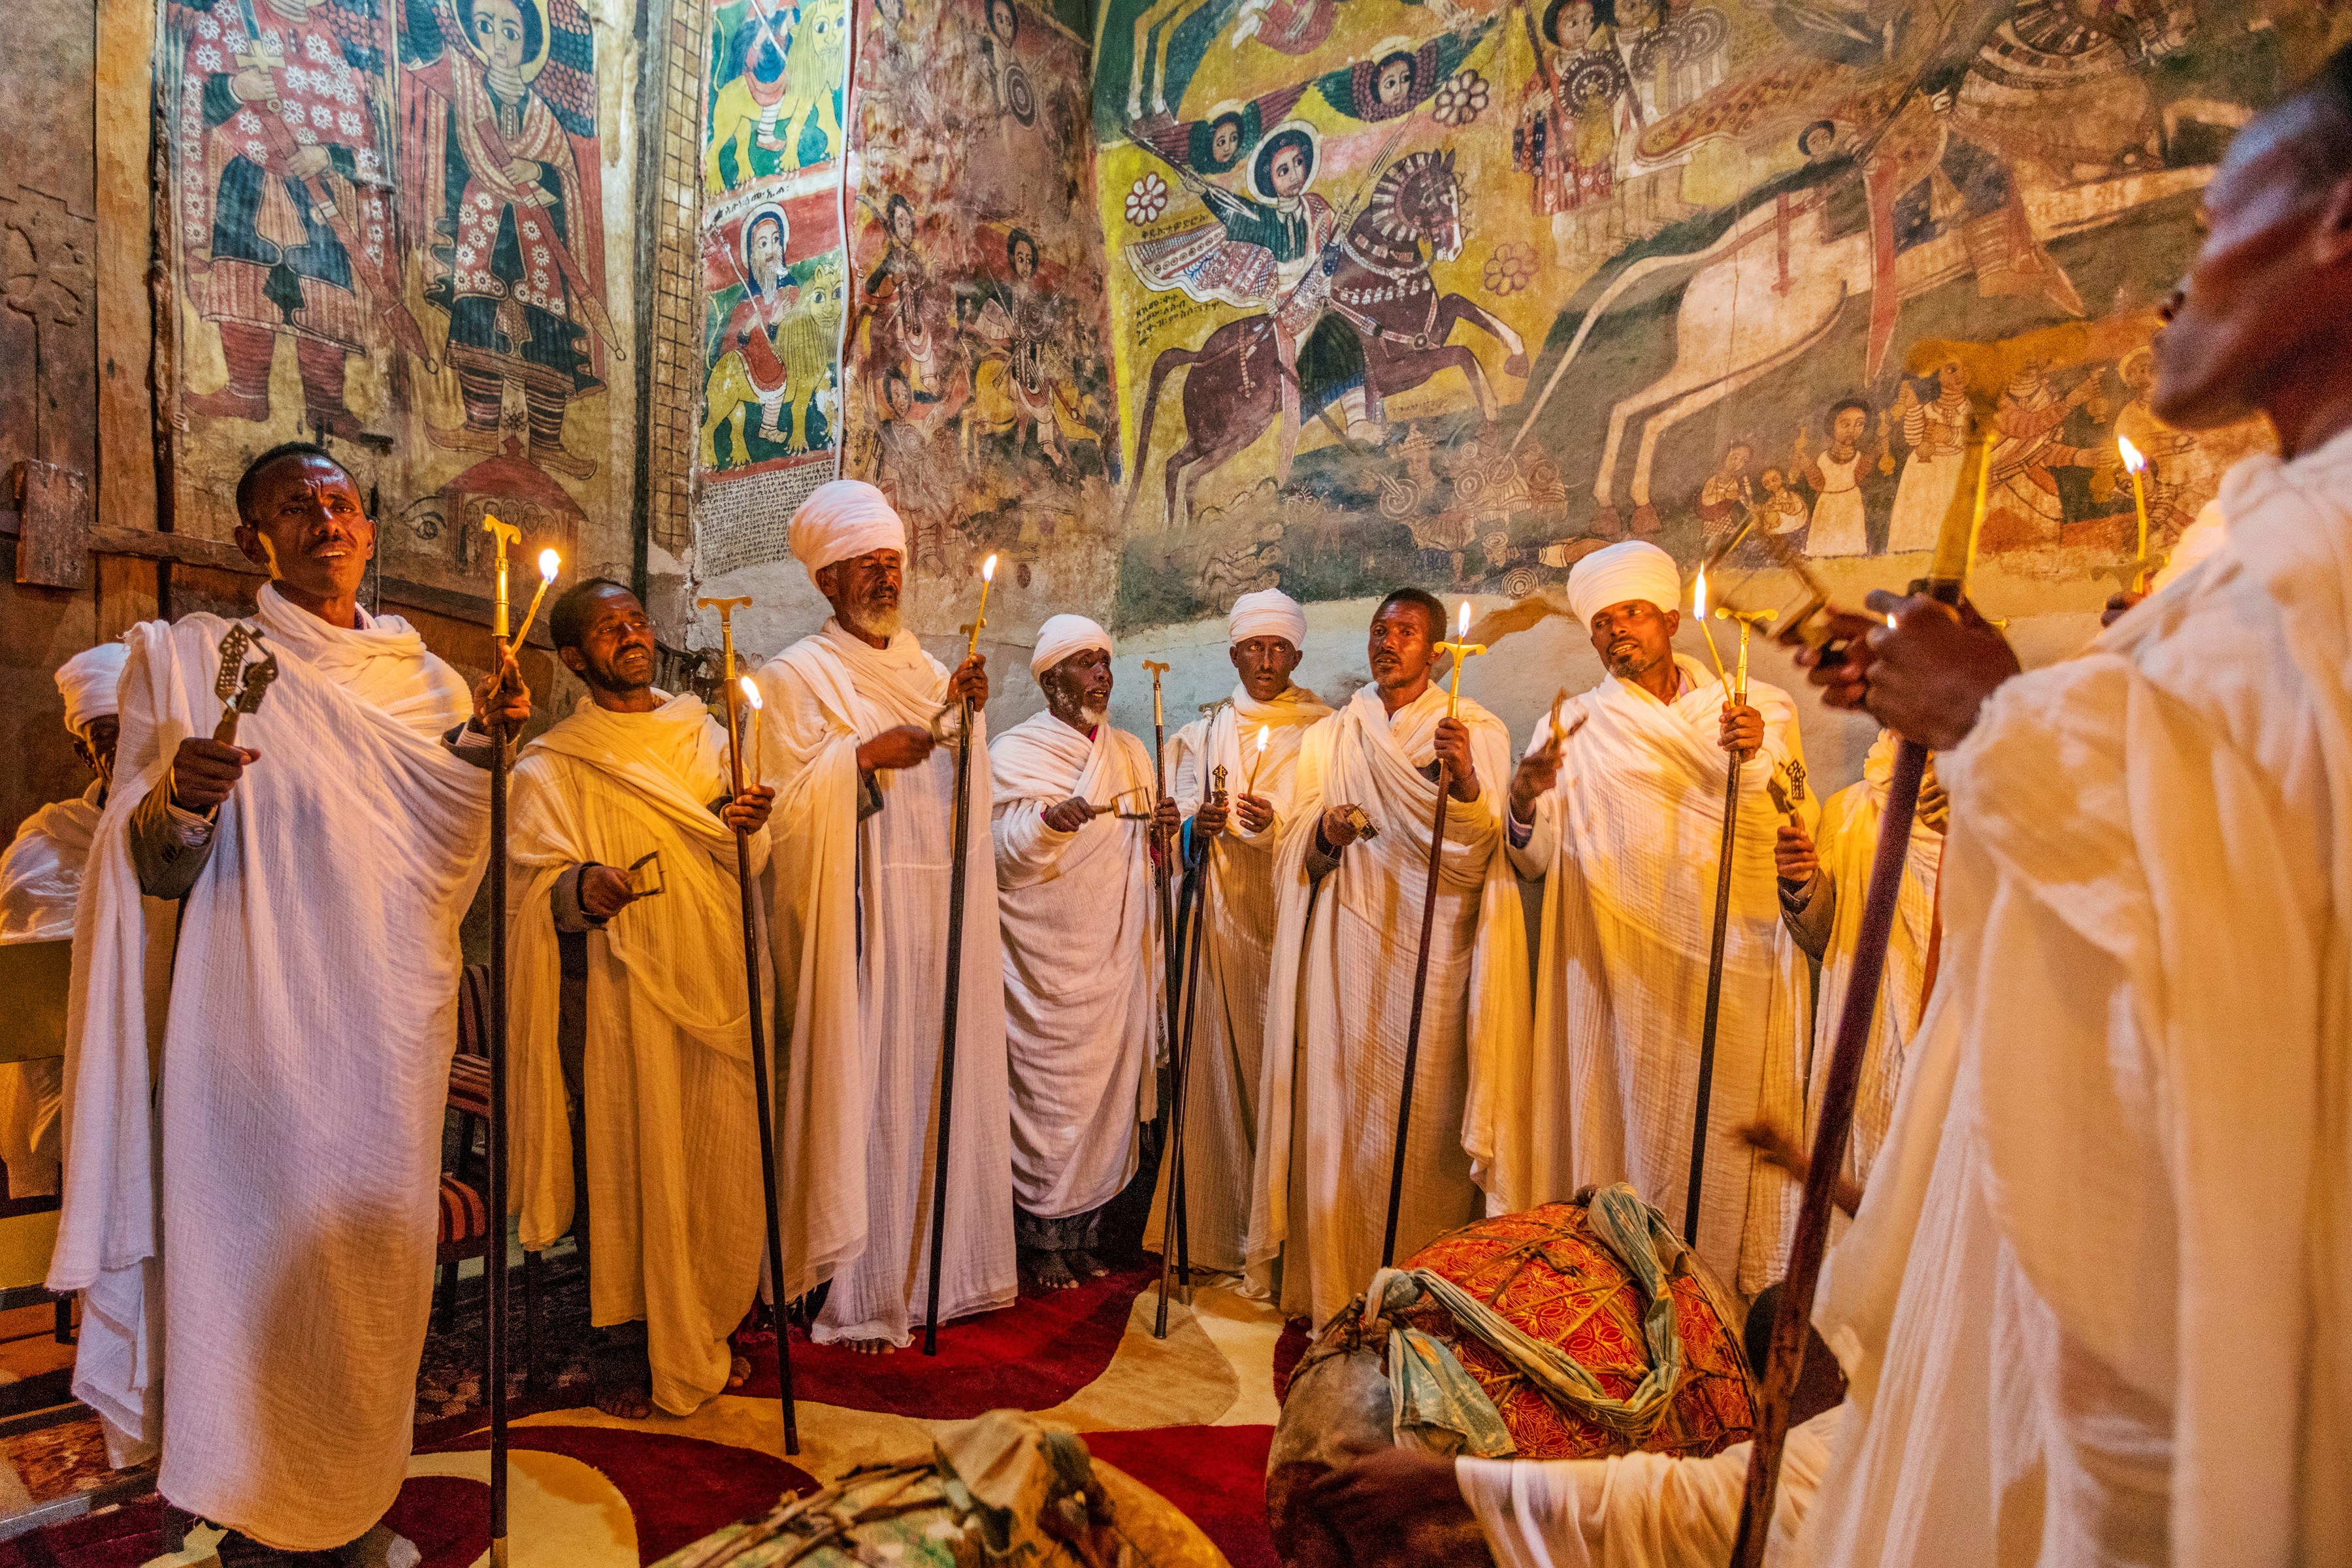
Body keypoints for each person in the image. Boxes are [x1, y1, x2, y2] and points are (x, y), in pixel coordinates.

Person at [1793, 48, 2352, 1563]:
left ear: (2337, 223)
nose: (2174, 285)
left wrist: (1989, 713)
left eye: (2213, 223)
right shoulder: (2259, 535)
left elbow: (2272, 903)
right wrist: (1982, 701)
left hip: (2212, 1305)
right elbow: (2196, 783)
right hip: (2050, 1289)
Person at [50, 442, 529, 1558]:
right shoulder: (192, 661)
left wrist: (485, 747)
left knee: (370, 1272)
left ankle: (353, 1505)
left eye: (343, 502)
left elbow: (447, 856)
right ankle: (264, 1518)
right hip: (252, 1025)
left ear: (369, 527)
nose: (326, 519)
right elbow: (150, 870)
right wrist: (179, 802)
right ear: (250, 540)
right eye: (296, 506)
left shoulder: (430, 685)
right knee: (255, 1264)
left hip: (389, 1027)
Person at [1503, 541, 1810, 1295]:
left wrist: (1759, 759)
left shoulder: (1756, 708)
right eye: (1602, 622)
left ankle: (1719, 1301)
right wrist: (1523, 798)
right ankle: (1622, 1299)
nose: (1617, 631)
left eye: (1632, 613)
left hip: (1731, 963)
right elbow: (1532, 858)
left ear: (1671, 620)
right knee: (1620, 1126)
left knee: (1727, 1132)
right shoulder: (1571, 726)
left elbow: (1794, 821)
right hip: (1616, 974)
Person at [751, 479, 1013, 1354]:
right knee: (863, 1085)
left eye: (893, 561)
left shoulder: (931, 673)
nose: (885, 576)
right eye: (865, 563)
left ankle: (937, 1267)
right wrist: (859, 759)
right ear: (826, 579)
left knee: (927, 1077)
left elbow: (959, 785)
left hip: (932, 914)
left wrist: (967, 719)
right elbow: (779, 815)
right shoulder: (793, 677)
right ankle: (852, 1279)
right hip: (856, 918)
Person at [506, 580, 775, 1419]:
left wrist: (745, 825)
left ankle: (708, 1321)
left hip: (713, 977)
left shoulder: (708, 737)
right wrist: (582, 885)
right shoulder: (552, 765)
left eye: (636, 622)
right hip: (619, 993)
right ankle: (621, 1345)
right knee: (624, 1158)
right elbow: (531, 888)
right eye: (607, 628)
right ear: (572, 657)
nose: (630, 636)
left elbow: (749, 859)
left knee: (713, 1151)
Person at [1247, 588, 1528, 1325]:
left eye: (1405, 631)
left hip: (1434, 957)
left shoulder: (1476, 730)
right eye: (1379, 629)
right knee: (1338, 1117)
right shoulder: (1332, 736)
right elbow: (1296, 844)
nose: (1387, 641)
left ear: (1435, 651)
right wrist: (1326, 832)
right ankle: (1337, 1283)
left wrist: (1466, 781)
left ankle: (1422, 1295)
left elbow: (1481, 853)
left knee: (1425, 1123)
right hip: (1344, 948)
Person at [1144, 589, 1330, 1278]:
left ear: (1297, 657)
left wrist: (1281, 826)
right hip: (1219, 923)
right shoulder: (1200, 735)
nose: (1267, 661)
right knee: (1217, 1070)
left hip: (1291, 924)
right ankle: (1218, 1230)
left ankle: (1287, 1235)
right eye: (1254, 648)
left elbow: (1327, 823)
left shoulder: (1325, 732)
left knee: (1288, 1069)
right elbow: (1174, 833)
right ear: (1234, 654)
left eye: (1279, 648)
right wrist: (1200, 827)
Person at [990, 615, 1164, 1290]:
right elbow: (999, 856)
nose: (1102, 674)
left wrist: (1165, 835)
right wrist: (1045, 825)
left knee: (1102, 1099)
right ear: (1050, 678)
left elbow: (1145, 849)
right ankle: (1038, 1241)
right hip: (1042, 959)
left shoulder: (1132, 754)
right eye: (1086, 663)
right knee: (1046, 1095)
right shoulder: (1015, 753)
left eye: (1105, 662)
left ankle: (1085, 1234)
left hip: (1111, 953)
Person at [1748, 732, 1946, 1216]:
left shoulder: (1995, 803)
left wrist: (1968, 826)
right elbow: (1824, 940)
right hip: (1871, 1046)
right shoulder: (1848, 810)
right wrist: (1801, 881)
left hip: (1956, 1035)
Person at [0, 644, 131, 1197]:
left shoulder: (203, 833)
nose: (125, 749)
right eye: (107, 736)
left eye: (138, 731)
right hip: (73, 1089)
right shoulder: (45, 847)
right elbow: (32, 991)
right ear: (85, 754)